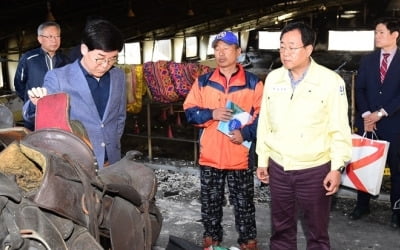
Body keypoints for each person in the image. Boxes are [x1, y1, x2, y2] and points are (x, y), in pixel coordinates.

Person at [256, 22, 352, 249]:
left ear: (308, 49)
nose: (285, 53)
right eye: (281, 47)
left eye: (292, 47)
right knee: (281, 230)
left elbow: (339, 128)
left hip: (314, 169)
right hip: (279, 167)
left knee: (317, 233)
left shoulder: (330, 82)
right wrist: (262, 159)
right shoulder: (273, 79)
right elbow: (265, 123)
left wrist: (337, 168)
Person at [183, 31, 263, 249]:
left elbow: (263, 116)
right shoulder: (203, 81)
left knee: (244, 204)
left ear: (238, 52)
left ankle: (248, 243)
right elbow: (189, 112)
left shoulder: (253, 83)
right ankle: (211, 241)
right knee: (210, 204)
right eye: (217, 49)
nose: (221, 53)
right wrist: (211, 114)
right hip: (210, 155)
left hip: (240, 155)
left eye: (226, 49)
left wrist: (245, 134)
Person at [23, 18, 126, 169]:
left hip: (112, 159)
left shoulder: (118, 76)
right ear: (84, 49)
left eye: (112, 59)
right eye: (100, 58)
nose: (105, 65)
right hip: (76, 163)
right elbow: (32, 116)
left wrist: (112, 143)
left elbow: (120, 116)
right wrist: (35, 103)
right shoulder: (59, 78)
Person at [349, 17, 400, 228]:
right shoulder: (368, 60)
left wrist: (382, 113)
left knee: (397, 168)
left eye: (381, 32)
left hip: (394, 123)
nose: (377, 36)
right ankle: (362, 205)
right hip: (368, 122)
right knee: (363, 163)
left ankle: (396, 209)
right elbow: (359, 89)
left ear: (395, 34)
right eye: (376, 32)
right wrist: (367, 114)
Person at [14, 21, 70, 130]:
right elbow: (19, 84)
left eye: (57, 36)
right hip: (35, 113)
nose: (54, 40)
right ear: (40, 39)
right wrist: (30, 101)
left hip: (60, 114)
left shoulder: (66, 61)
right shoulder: (28, 58)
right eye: (50, 36)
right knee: (35, 144)